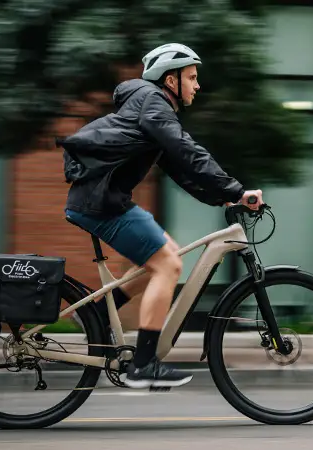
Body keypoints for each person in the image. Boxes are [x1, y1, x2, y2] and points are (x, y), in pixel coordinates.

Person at [57, 43, 264, 389]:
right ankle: (143, 364)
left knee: (167, 254)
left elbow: (179, 168)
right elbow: (187, 151)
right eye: (192, 77)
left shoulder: (149, 106)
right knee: (168, 265)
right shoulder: (153, 104)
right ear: (171, 80)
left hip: (102, 199)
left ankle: (92, 314)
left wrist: (221, 199)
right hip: (101, 203)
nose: (197, 85)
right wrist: (235, 190)